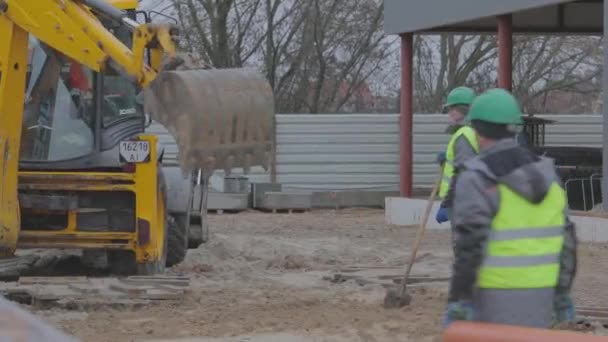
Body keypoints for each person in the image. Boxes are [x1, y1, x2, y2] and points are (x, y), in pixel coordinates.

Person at [442, 88, 577, 329]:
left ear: (477, 129)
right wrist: (562, 294)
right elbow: (567, 239)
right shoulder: (549, 176)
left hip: (494, 295)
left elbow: (470, 245)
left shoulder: (478, 177)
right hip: (542, 296)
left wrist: (460, 299)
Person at [435, 87, 479, 226]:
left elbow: (463, 172)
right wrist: (448, 161)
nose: (449, 112)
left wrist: (448, 203)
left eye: (452, 108)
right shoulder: (473, 131)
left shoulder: (464, 134)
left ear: (463, 109)